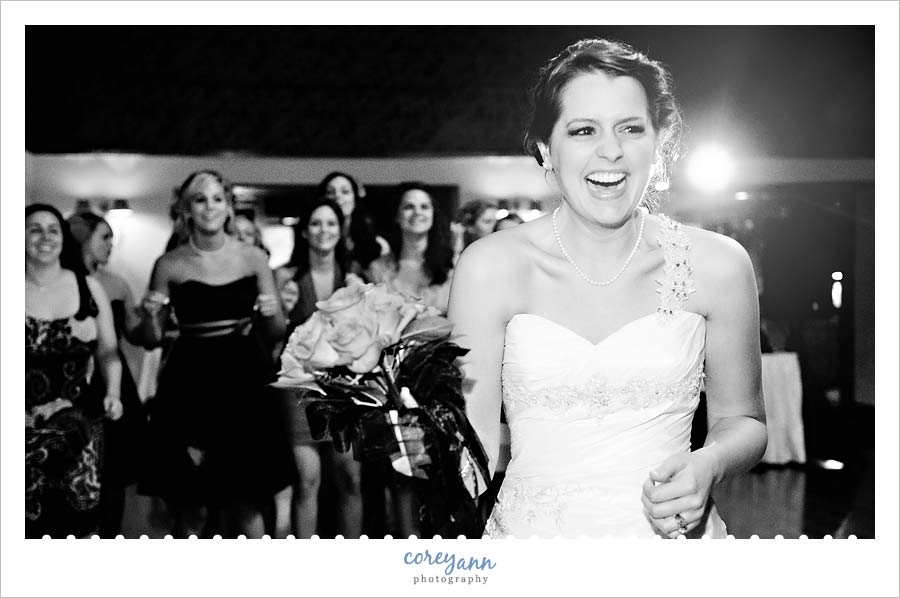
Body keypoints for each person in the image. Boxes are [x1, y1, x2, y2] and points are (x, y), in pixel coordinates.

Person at [448, 38, 767, 538]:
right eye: (583, 130)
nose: (611, 150)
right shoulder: (488, 268)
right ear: (544, 148)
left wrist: (710, 464)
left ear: (658, 144)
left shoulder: (720, 266)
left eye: (631, 128)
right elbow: (475, 449)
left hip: (673, 546)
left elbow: (744, 420)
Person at [136, 170, 297, 538]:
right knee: (192, 502)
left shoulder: (253, 258)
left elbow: (274, 333)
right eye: (199, 199)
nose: (209, 207)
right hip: (189, 377)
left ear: (228, 207)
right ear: (186, 209)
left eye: (217, 199)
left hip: (243, 374)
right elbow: (152, 338)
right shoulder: (169, 264)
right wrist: (148, 315)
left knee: (248, 499)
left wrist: (273, 312)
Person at [25, 204, 123, 538]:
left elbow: (109, 352)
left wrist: (113, 393)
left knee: (77, 524)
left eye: (52, 229)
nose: (44, 237)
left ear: (63, 238)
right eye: (34, 229)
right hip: (21, 428)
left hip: (80, 429)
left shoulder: (88, 288)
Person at [274, 197, 362, 539]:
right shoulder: (285, 277)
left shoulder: (354, 278)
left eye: (330, 224)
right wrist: (282, 311)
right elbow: (273, 336)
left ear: (340, 232)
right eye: (315, 223)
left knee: (351, 479)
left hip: (346, 389)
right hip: (300, 388)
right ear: (305, 232)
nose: (323, 230)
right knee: (306, 480)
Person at [68, 212, 145, 537]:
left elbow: (136, 334)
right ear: (84, 239)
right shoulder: (61, 282)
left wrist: (152, 317)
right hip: (74, 382)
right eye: (105, 237)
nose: (111, 245)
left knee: (113, 470)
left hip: (112, 380)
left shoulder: (115, 283)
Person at [367, 182, 455, 315]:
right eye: (409, 207)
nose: (417, 212)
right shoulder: (378, 269)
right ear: (397, 215)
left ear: (433, 214)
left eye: (424, 207)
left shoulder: (454, 267)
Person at [318, 171, 384, 272]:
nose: (337, 196)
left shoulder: (377, 243)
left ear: (355, 198)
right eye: (330, 192)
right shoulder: (316, 238)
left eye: (345, 191)